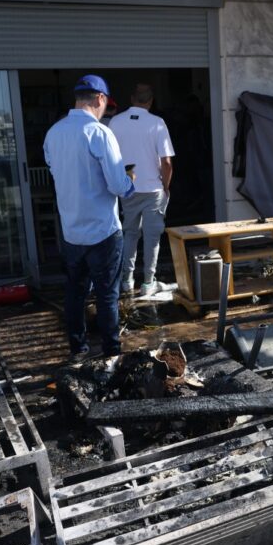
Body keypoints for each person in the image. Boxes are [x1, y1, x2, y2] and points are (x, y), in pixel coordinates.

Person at [44, 74, 135, 360]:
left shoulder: (53, 133)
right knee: (107, 296)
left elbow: (56, 172)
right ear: (99, 99)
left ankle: (78, 349)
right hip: (103, 230)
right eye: (105, 104)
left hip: (71, 231)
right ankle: (111, 354)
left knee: (75, 293)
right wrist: (130, 181)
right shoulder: (99, 133)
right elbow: (117, 185)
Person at [107, 83, 175, 296]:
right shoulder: (157, 123)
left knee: (130, 234)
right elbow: (166, 162)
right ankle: (148, 282)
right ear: (151, 101)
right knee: (152, 237)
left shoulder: (115, 122)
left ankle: (127, 280)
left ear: (132, 98)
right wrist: (166, 186)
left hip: (127, 187)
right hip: (153, 189)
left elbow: (109, 158)